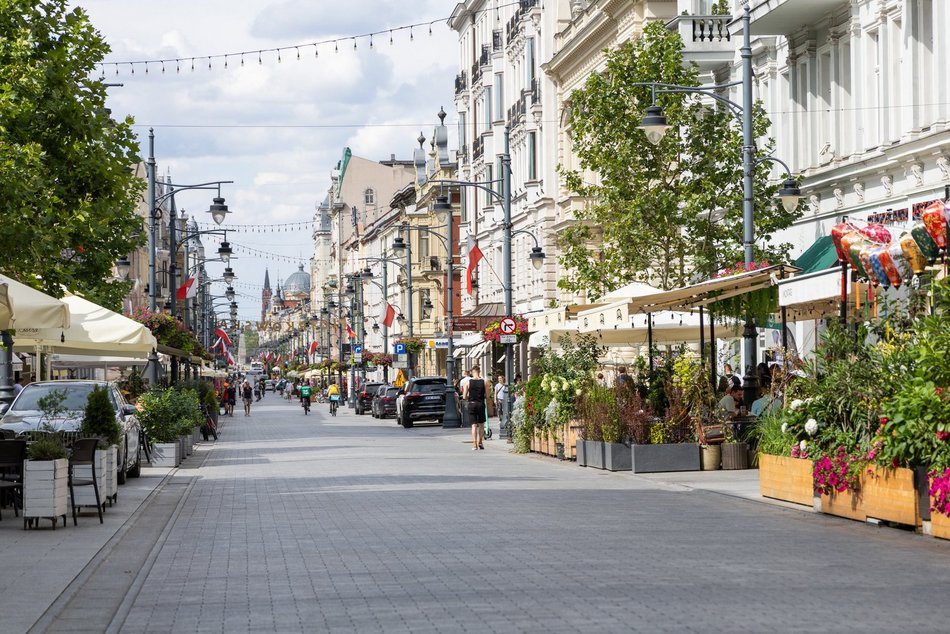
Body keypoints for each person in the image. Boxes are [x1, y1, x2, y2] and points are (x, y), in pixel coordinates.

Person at [463, 366, 487, 450]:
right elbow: (487, 395)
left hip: (472, 404)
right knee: (481, 424)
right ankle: (481, 441)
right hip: (480, 404)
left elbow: (464, 396)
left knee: (473, 425)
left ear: (472, 372)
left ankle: (474, 443)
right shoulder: (484, 382)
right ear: (479, 372)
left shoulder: (468, 382)